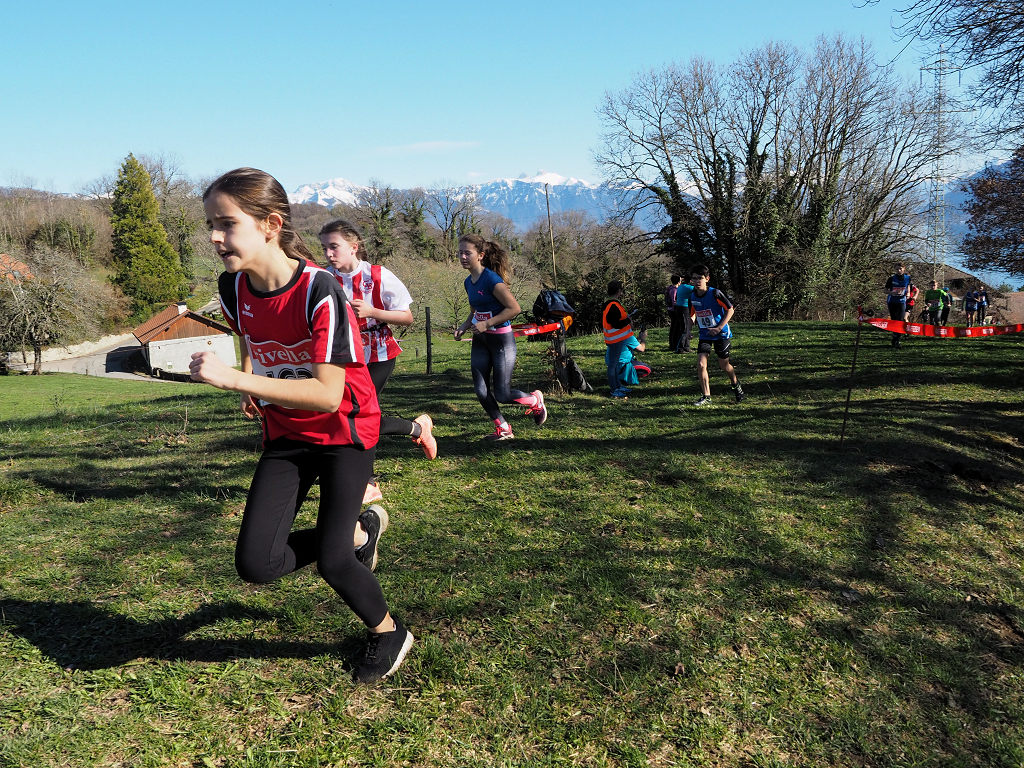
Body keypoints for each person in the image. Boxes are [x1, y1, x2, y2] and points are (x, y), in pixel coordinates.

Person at [189, 168, 413, 683]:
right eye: (210, 225)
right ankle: (361, 531)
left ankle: (389, 633)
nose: (214, 237)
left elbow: (328, 394)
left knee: (334, 561)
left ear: (270, 224)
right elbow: (250, 335)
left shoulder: (320, 290)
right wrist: (250, 377)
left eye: (226, 224)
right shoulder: (232, 287)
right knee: (257, 564)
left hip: (343, 434)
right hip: (287, 435)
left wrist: (235, 380)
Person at [319, 219, 437, 504]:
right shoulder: (323, 278)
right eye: (324, 248)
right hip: (342, 356)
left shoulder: (378, 275)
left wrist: (373, 312)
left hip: (378, 354)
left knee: (359, 415)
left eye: (334, 247)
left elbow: (407, 317)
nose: (328, 254)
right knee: (342, 414)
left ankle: (368, 481)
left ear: (353, 247)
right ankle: (417, 429)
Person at [454, 233, 548, 440]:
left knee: (503, 394)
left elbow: (514, 308)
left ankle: (534, 401)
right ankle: (503, 428)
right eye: (460, 253)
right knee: (481, 390)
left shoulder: (491, 280)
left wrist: (487, 323)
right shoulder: (468, 282)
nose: (462, 257)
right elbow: (475, 310)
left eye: (467, 253)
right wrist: (465, 325)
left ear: (480, 255)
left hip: (501, 341)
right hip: (481, 340)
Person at [689, 264, 744, 406]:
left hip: (721, 334)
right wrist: (688, 330)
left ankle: (736, 384)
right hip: (705, 334)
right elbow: (693, 314)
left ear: (707, 279)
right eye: (694, 278)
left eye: (700, 278)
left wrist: (719, 328)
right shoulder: (692, 296)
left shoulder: (715, 293)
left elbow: (730, 310)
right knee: (701, 364)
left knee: (724, 365)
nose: (697, 281)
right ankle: (706, 396)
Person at [602, 280, 635, 398]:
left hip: (614, 339)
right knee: (613, 365)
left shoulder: (610, 304)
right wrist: (628, 320)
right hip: (615, 340)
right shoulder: (613, 305)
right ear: (619, 291)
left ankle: (617, 386)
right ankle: (614, 389)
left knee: (614, 365)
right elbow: (615, 323)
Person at [606, 326, 649, 396]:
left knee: (613, 368)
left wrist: (639, 338)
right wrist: (643, 339)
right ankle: (621, 383)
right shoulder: (627, 336)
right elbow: (641, 349)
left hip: (611, 361)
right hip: (622, 365)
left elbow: (633, 344)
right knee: (646, 369)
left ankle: (618, 386)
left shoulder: (616, 334)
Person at [884, 264, 912, 347]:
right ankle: (894, 338)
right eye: (897, 269)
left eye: (900, 269)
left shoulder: (908, 278)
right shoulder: (891, 279)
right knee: (894, 320)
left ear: (904, 269)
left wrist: (908, 293)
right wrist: (892, 292)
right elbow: (885, 290)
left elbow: (908, 286)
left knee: (900, 320)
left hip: (902, 301)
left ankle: (897, 340)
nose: (899, 270)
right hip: (892, 301)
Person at [674, 277, 695, 353]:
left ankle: (686, 347)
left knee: (686, 327)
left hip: (679, 308)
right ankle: (680, 348)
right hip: (684, 308)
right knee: (685, 329)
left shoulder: (680, 287)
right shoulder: (689, 288)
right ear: (690, 280)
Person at [665, 274, 683, 351]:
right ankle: (674, 344)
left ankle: (673, 344)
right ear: (678, 281)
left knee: (673, 327)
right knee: (675, 327)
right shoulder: (674, 289)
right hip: (674, 310)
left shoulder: (669, 288)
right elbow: (674, 301)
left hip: (670, 309)